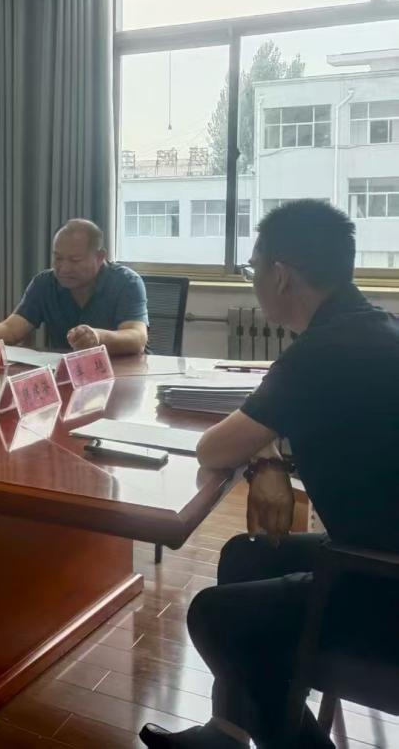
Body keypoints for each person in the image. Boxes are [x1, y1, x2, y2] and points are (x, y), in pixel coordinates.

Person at [139, 201, 399, 749]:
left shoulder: (319, 355)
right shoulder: (374, 328)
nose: (252, 280)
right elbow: (279, 428)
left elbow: (213, 448)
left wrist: (261, 452)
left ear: (280, 274)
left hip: (380, 583)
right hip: (377, 545)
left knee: (216, 618)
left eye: (251, 268)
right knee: (246, 556)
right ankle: (227, 733)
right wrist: (271, 461)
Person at [0, 218, 148, 355]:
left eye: (75, 260)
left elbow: (137, 338)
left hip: (124, 373)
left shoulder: (126, 282)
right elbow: (11, 330)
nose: (64, 268)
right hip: (68, 373)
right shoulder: (45, 283)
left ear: (99, 257)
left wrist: (98, 338)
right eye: (58, 258)